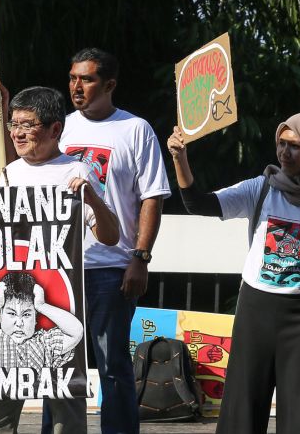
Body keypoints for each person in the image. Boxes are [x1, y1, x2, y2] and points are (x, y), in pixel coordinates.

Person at [0, 85, 119, 434]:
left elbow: (110, 236)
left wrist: (92, 201)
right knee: (0, 416)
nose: (18, 133)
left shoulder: (78, 172)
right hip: (9, 307)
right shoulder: (10, 173)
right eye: (14, 124)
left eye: (28, 124)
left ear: (55, 129)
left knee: (67, 413)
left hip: (59, 304)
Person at [167, 112, 300, 434]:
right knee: (242, 410)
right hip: (256, 310)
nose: (284, 153)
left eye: (295, 146)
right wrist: (180, 158)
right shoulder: (262, 189)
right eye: (281, 143)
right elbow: (198, 204)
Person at [54, 48, 170, 434]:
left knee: (113, 364)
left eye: (86, 79)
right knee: (59, 364)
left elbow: (152, 196)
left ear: (110, 84)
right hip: (62, 266)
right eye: (72, 78)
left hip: (112, 267)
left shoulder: (135, 130)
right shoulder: (61, 128)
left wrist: (140, 257)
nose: (76, 86)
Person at [0, 272, 83, 371]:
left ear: (35, 318)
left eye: (26, 314)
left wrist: (42, 306)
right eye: (11, 313)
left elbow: (76, 332)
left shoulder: (45, 342)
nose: (19, 323)